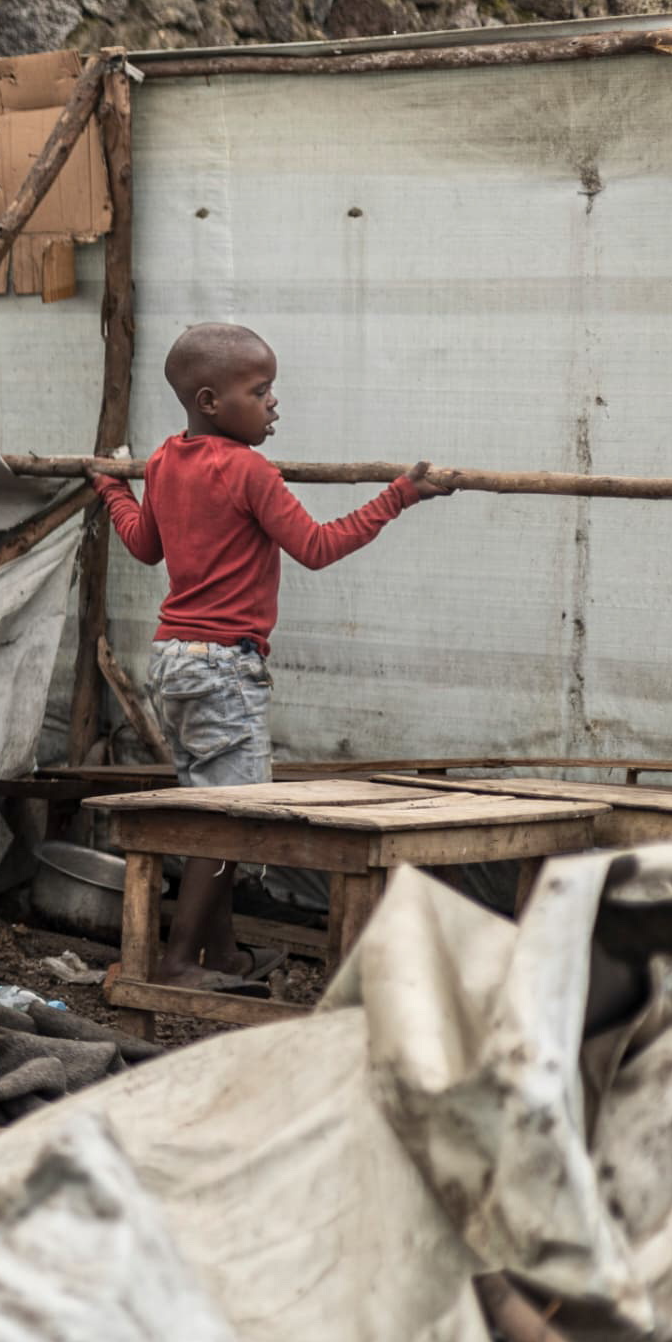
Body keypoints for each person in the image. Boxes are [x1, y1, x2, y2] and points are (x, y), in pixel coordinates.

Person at [94, 321, 451, 992]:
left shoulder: (166, 461)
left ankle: (221, 957)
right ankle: (177, 964)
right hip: (225, 667)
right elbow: (317, 546)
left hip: (172, 661)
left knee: (212, 808)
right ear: (209, 402)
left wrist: (113, 489)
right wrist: (398, 497)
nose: (273, 404)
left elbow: (144, 545)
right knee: (235, 817)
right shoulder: (250, 471)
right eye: (260, 392)